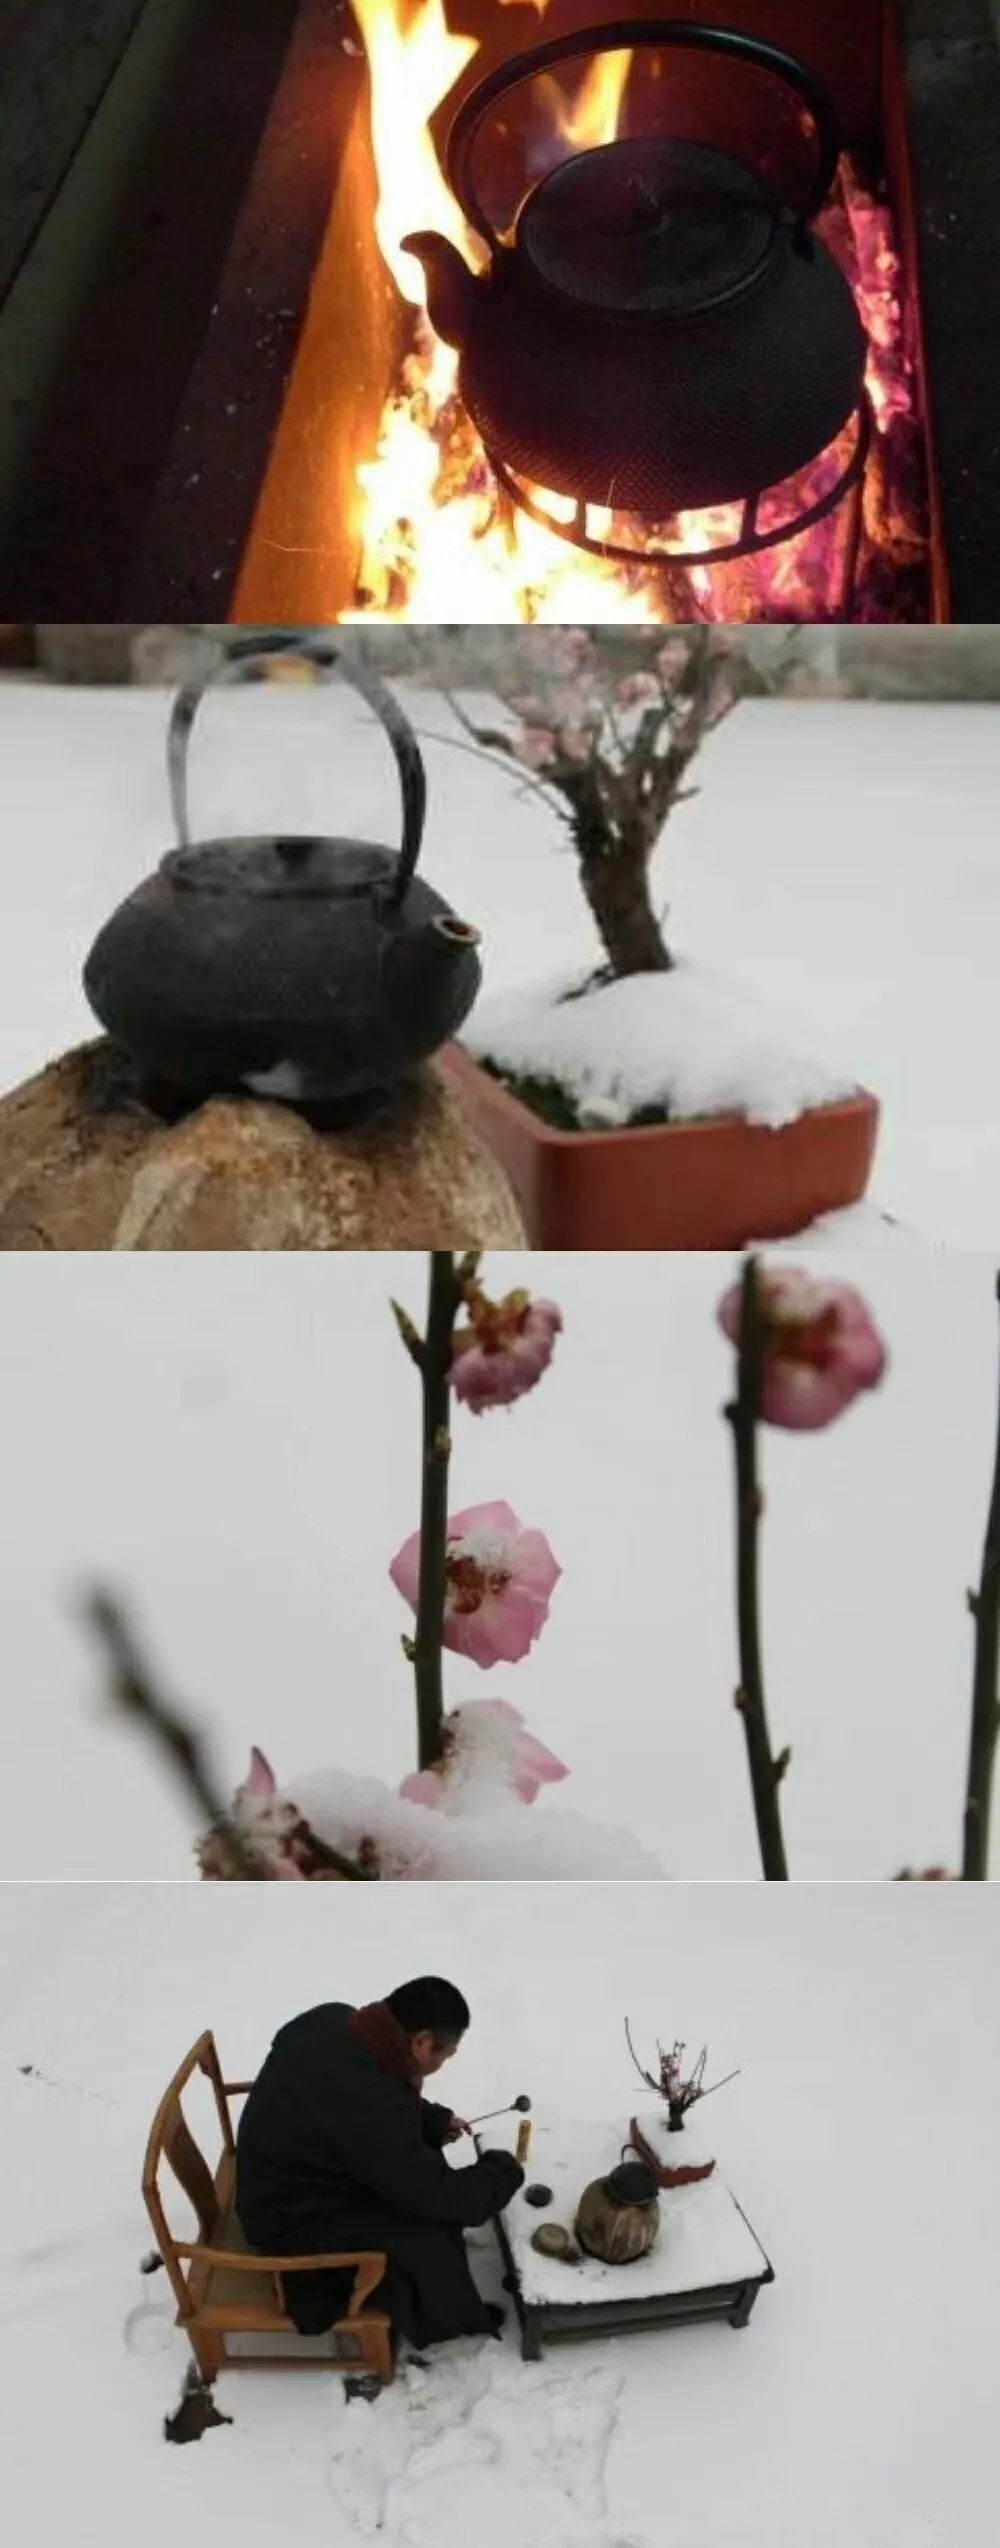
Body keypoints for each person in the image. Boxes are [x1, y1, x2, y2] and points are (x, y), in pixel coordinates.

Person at [235, 1977, 525, 2350]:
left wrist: (430, 2120)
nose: (445, 2062)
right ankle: (449, 2322)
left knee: (417, 2174)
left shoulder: (334, 2019)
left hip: (280, 2168)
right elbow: (443, 2197)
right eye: (446, 2054)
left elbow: (355, 2096)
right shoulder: (370, 2109)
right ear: (421, 2042)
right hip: (286, 2215)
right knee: (428, 2234)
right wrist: (501, 2170)